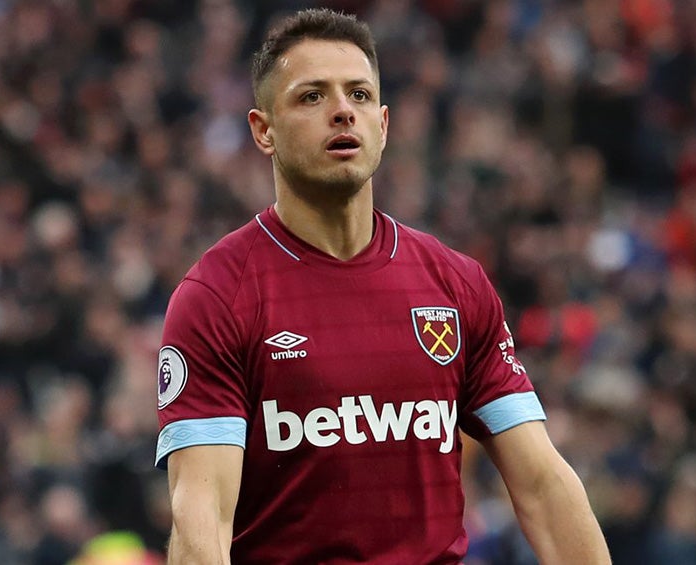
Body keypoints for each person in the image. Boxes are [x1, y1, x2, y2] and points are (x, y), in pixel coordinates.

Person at [155, 8, 610, 564]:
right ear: (263, 130)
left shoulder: (454, 284)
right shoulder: (217, 296)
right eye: (312, 97)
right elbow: (201, 512)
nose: (343, 111)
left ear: (384, 124)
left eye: (360, 95)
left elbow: (542, 483)